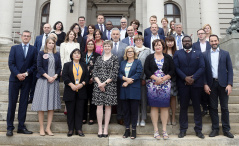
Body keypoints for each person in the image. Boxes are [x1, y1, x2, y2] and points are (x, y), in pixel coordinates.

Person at [6, 30, 37, 136]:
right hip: (14, 79)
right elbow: (11, 63)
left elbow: (35, 64)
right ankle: (10, 127)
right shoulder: (14, 48)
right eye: (24, 36)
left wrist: (26, 73)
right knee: (12, 104)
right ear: (21, 37)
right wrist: (18, 74)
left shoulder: (33, 49)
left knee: (23, 104)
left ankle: (21, 126)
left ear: (30, 37)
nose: (26, 37)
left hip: (27, 80)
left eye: (28, 36)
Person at [173, 36, 205, 139]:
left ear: (191, 42)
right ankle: (183, 129)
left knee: (197, 107)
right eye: (185, 41)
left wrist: (193, 78)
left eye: (188, 41)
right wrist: (185, 78)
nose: (187, 42)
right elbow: (176, 67)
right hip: (183, 85)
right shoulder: (177, 53)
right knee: (183, 107)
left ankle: (198, 130)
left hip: (196, 85)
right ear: (182, 42)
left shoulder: (198, 53)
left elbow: (202, 67)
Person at [204, 34, 234, 138]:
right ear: (209, 42)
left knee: (225, 107)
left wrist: (229, 84)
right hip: (211, 84)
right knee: (213, 107)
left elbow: (230, 70)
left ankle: (226, 129)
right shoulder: (205, 54)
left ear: (218, 41)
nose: (214, 43)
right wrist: (205, 84)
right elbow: (203, 71)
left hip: (223, 84)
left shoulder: (225, 54)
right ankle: (215, 129)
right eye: (211, 41)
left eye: (215, 41)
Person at [144, 39, 175, 140]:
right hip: (153, 84)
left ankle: (164, 131)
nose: (158, 47)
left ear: (163, 46)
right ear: (153, 47)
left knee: (165, 107)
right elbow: (146, 70)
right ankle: (156, 130)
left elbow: (172, 70)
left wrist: (164, 78)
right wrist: (155, 78)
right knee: (154, 107)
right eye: (156, 45)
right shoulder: (149, 57)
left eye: (160, 45)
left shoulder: (168, 57)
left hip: (165, 84)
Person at [31, 37, 62, 136]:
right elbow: (39, 67)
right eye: (49, 43)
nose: (51, 44)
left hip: (53, 82)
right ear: (46, 44)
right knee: (41, 105)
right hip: (43, 81)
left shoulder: (57, 54)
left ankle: (48, 128)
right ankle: (41, 128)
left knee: (51, 106)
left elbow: (59, 67)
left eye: (53, 43)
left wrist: (56, 76)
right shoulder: (41, 53)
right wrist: (48, 77)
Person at [92, 40, 119, 138]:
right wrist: (100, 83)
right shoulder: (99, 58)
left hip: (110, 85)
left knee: (108, 106)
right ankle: (100, 128)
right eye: (105, 46)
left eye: (109, 46)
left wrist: (105, 83)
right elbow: (94, 72)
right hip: (98, 85)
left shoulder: (115, 58)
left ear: (111, 47)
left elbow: (114, 73)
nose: (107, 47)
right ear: (103, 47)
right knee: (99, 106)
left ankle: (106, 128)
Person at [62, 49, 89, 137]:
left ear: (81, 56)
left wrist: (82, 84)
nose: (77, 55)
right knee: (70, 111)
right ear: (72, 55)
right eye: (75, 53)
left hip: (81, 91)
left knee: (79, 111)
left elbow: (87, 77)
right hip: (70, 90)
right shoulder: (67, 65)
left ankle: (79, 129)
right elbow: (65, 76)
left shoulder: (84, 65)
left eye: (78, 53)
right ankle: (70, 129)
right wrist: (71, 85)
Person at [119, 46, 142, 139]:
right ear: (126, 53)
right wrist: (124, 79)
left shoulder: (138, 62)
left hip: (134, 89)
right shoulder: (123, 62)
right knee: (126, 111)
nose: (130, 53)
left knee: (134, 111)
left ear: (134, 53)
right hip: (124, 89)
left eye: (131, 51)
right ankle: (127, 129)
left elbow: (139, 73)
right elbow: (119, 74)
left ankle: (134, 130)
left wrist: (128, 81)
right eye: (128, 51)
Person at [30, 23, 52, 103]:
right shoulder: (38, 37)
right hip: (38, 61)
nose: (46, 29)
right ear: (43, 28)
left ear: (50, 28)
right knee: (34, 80)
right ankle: (32, 97)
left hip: (49, 62)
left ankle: (45, 99)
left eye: (48, 27)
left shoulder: (52, 37)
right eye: (45, 27)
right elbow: (35, 49)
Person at [110, 28, 128, 125]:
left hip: (122, 75)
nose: (116, 35)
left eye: (117, 34)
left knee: (121, 97)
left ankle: (120, 116)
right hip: (110, 76)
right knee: (110, 96)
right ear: (111, 35)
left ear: (120, 35)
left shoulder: (125, 46)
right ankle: (107, 117)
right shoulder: (108, 45)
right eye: (114, 34)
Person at [60, 30, 80, 115]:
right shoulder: (63, 44)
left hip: (76, 67)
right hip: (67, 67)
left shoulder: (77, 44)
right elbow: (62, 56)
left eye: (73, 34)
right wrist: (62, 69)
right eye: (70, 34)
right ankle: (66, 107)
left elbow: (78, 55)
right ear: (68, 35)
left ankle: (74, 105)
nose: (72, 36)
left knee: (75, 85)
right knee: (67, 86)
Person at [192, 29, 211, 117]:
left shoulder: (209, 43)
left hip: (210, 69)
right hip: (199, 69)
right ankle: (204, 107)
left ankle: (211, 107)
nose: (200, 35)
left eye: (202, 33)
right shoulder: (194, 45)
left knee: (210, 89)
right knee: (202, 90)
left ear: (205, 34)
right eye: (199, 34)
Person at [82, 40, 100, 125]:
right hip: (83, 81)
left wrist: (93, 78)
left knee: (93, 100)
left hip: (94, 81)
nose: (90, 45)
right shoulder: (82, 55)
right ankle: (84, 117)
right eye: (88, 44)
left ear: (94, 46)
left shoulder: (98, 56)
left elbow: (99, 68)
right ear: (86, 45)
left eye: (91, 44)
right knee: (84, 100)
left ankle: (92, 118)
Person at [134, 35, 151, 127]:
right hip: (133, 79)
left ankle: (143, 118)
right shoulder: (131, 50)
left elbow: (148, 65)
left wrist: (145, 78)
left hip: (144, 79)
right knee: (135, 99)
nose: (138, 42)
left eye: (140, 40)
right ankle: (136, 117)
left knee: (143, 99)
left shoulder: (147, 50)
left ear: (143, 41)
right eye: (136, 40)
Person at [164, 36, 178, 126]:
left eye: (171, 41)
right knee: (166, 98)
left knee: (173, 97)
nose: (170, 43)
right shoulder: (162, 52)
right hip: (164, 78)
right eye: (168, 41)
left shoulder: (177, 52)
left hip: (174, 77)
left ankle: (173, 117)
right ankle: (167, 117)